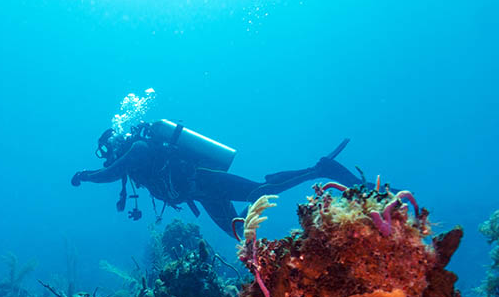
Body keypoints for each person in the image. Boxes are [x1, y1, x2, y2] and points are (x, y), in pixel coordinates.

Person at [71, 119, 377, 236]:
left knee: (260, 190)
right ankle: (315, 171)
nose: (110, 155)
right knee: (238, 231)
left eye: (108, 149)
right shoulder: (135, 160)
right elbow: (117, 172)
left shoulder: (137, 148)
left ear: (115, 143)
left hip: (203, 179)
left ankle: (320, 169)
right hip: (199, 193)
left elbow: (111, 173)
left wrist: (84, 175)